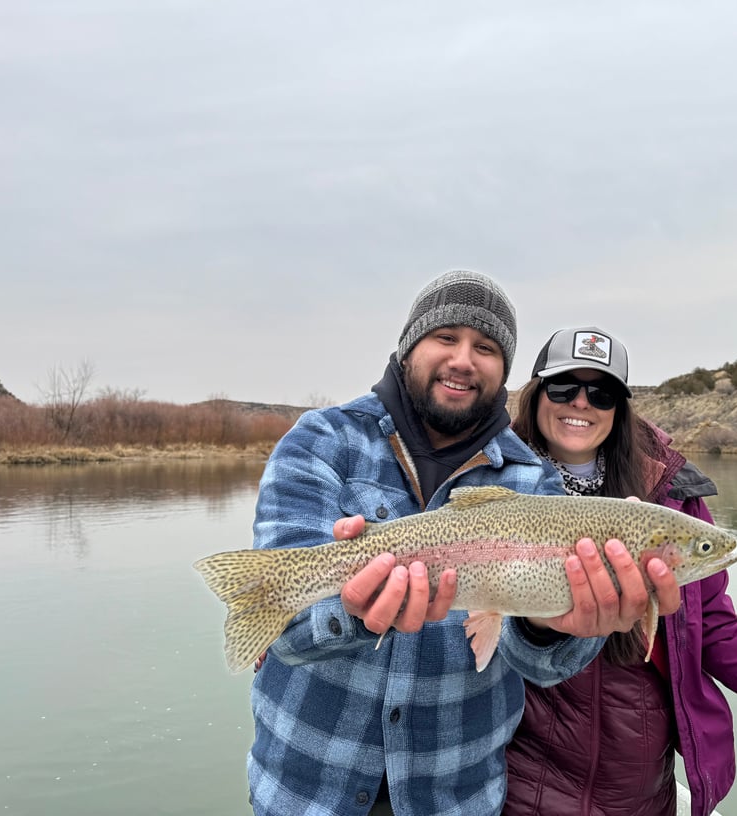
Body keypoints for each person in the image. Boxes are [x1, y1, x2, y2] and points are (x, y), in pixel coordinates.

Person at [247, 274, 681, 816]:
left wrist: (549, 627)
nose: (464, 359)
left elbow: (540, 668)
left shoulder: (536, 480)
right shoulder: (321, 440)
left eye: (487, 347)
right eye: (445, 338)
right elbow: (283, 633)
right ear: (410, 347)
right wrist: (352, 610)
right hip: (306, 793)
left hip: (455, 798)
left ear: (504, 370)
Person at [502, 326, 737, 816]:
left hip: (642, 779)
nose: (581, 403)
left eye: (601, 392)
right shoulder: (490, 480)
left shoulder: (671, 501)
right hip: (522, 774)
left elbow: (716, 628)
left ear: (620, 407)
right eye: (564, 387)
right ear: (536, 394)